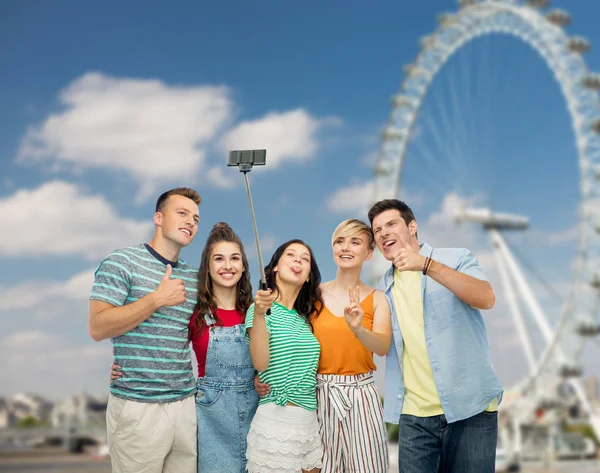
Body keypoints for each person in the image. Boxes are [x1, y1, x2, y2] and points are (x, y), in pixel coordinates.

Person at [367, 199, 503, 473]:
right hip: (414, 416)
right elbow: (379, 344)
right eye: (377, 230)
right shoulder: (383, 288)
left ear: (413, 226)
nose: (383, 233)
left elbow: (486, 298)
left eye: (391, 224)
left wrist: (426, 265)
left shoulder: (455, 258)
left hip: (470, 408)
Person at [111, 222, 259, 472]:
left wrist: (262, 379)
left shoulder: (256, 312)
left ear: (243, 265)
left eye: (234, 258)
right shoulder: (195, 312)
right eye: (218, 259)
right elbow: (158, 338)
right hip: (210, 417)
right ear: (208, 267)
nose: (227, 266)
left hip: (256, 411)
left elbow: (273, 357)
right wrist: (126, 363)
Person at [89, 187, 201, 473]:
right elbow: (98, 327)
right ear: (158, 218)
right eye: (182, 213)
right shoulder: (121, 262)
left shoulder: (193, 277)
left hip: (184, 406)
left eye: (196, 219)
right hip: (137, 406)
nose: (191, 221)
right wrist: (156, 299)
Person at [312, 218, 392, 473]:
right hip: (319, 394)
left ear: (369, 254)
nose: (345, 247)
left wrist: (358, 329)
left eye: (355, 242)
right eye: (339, 241)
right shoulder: (311, 295)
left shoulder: (379, 299)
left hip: (362, 396)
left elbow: (382, 346)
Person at [245, 240, 324, 473]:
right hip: (275, 424)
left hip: (309, 423)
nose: (298, 259)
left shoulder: (304, 319)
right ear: (275, 267)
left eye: (305, 258)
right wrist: (259, 314)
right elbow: (260, 363)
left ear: (309, 276)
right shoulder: (260, 309)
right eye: (290, 254)